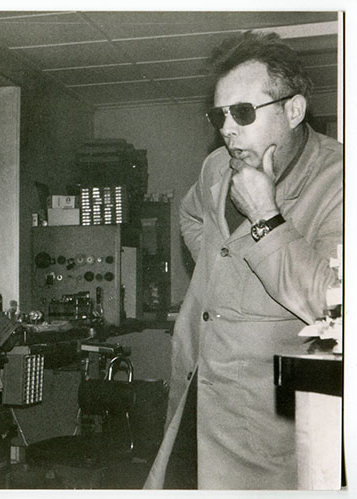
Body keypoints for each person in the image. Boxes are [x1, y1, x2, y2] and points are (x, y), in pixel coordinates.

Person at [145, 31, 342, 490]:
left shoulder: (340, 182)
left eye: (243, 112)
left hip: (268, 423)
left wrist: (265, 218)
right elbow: (191, 215)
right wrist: (224, 268)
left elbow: (334, 306)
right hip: (197, 394)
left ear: (293, 110)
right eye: (220, 115)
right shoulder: (217, 166)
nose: (227, 128)